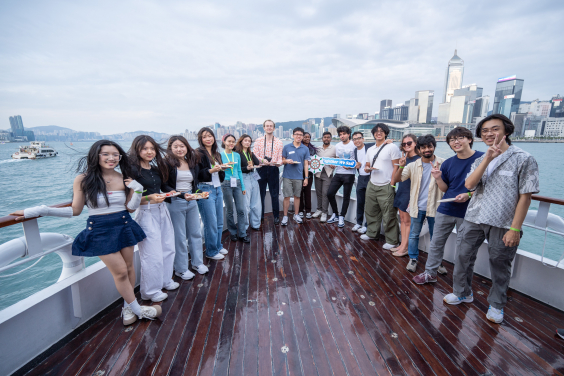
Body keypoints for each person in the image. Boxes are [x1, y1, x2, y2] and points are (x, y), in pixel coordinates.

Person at [10, 140, 161, 326]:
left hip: (124, 224)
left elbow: (130, 208)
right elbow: (75, 210)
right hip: (99, 230)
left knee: (130, 268)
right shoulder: (84, 179)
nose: (111, 158)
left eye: (115, 155)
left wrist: (137, 190)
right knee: (121, 272)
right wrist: (40, 210)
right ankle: (138, 309)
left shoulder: (124, 177)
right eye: (105, 154)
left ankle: (127, 306)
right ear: (96, 156)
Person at [444, 114, 539, 324]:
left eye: (494, 129)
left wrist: (515, 228)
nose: (489, 134)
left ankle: (496, 304)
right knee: (462, 255)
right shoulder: (480, 159)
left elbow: (526, 196)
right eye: (485, 131)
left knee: (499, 263)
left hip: (503, 221)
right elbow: (469, 185)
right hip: (475, 216)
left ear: (506, 131)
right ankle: (462, 292)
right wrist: (488, 157)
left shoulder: (524, 158)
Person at [413, 127, 484, 284]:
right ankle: (430, 273)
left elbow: (488, 187)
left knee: (464, 250)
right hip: (446, 208)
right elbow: (445, 188)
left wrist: (469, 194)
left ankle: (460, 283)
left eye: (460, 138)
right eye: (452, 140)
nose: (456, 142)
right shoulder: (448, 164)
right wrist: (438, 178)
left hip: (469, 211)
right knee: (436, 243)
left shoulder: (483, 159)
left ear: (470, 139)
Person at [128, 135, 179, 302]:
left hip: (161, 209)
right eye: (145, 149)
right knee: (151, 253)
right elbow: (129, 202)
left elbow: (161, 189)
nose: (149, 152)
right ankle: (150, 291)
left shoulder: (155, 169)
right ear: (137, 150)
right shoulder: (132, 172)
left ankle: (165, 280)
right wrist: (149, 198)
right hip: (146, 212)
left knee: (168, 247)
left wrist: (170, 194)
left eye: (152, 148)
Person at [392, 134, 445, 272]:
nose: (427, 149)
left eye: (429, 146)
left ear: (434, 147)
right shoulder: (413, 165)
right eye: (424, 147)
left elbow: (447, 186)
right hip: (417, 206)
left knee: (436, 237)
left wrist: (438, 177)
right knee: (414, 234)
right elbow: (398, 179)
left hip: (435, 207)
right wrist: (401, 167)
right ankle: (413, 258)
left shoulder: (443, 163)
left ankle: (437, 262)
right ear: (419, 149)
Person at [163, 135, 209, 282]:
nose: (179, 149)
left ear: (187, 147)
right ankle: (181, 269)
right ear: (170, 148)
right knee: (180, 237)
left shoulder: (191, 162)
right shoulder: (166, 164)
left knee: (195, 234)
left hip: (192, 202)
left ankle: (197, 263)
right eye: (175, 146)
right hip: (175, 203)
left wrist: (199, 193)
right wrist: (182, 195)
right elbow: (164, 186)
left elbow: (193, 185)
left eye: (182, 146)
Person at [360, 124, 401, 250]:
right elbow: (367, 165)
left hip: (386, 184)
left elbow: (397, 166)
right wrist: (367, 169)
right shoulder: (371, 149)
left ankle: (392, 240)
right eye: (376, 131)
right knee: (371, 211)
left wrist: (392, 183)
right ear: (373, 134)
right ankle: (372, 233)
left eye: (382, 131)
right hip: (372, 183)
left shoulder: (392, 147)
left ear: (386, 133)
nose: (379, 133)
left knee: (389, 214)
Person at [196, 127, 229, 260]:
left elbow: (220, 173)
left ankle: (218, 246)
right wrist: (211, 171)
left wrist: (222, 168)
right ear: (201, 139)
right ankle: (211, 251)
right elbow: (197, 175)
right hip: (205, 189)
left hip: (217, 188)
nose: (208, 139)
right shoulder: (197, 153)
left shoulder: (217, 154)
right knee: (210, 223)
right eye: (205, 136)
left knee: (219, 222)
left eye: (210, 136)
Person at [390, 134, 420, 256]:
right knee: (402, 220)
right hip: (402, 190)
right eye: (404, 144)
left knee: (408, 222)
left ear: (415, 143)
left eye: (409, 143)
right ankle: (401, 245)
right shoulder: (404, 159)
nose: (406, 145)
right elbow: (398, 177)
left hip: (410, 193)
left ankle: (405, 248)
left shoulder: (419, 159)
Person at [253, 120, 283, 225]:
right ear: (264, 128)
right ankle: (260, 215)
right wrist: (262, 160)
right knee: (259, 194)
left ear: (274, 128)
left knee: (274, 194)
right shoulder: (258, 141)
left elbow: (280, 158)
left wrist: (278, 163)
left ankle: (276, 216)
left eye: (271, 126)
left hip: (273, 169)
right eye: (267, 126)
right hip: (260, 169)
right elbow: (255, 155)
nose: (269, 127)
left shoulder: (279, 142)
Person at [326, 125, 356, 228]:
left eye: (344, 134)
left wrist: (351, 166)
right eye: (340, 134)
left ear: (348, 134)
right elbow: (338, 159)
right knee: (330, 193)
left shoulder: (354, 145)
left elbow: (359, 158)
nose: (342, 136)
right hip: (338, 173)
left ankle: (342, 216)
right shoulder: (338, 146)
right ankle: (335, 214)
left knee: (346, 196)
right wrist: (333, 164)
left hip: (349, 174)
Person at [221, 134, 249, 243]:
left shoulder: (236, 155)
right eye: (229, 141)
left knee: (241, 209)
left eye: (233, 141)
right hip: (225, 184)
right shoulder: (220, 155)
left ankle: (242, 233)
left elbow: (239, 171)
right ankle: (233, 232)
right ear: (224, 142)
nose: (231, 143)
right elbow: (216, 169)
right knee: (229, 210)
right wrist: (224, 166)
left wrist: (242, 186)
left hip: (237, 183)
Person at [281, 127, 311, 225]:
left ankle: (296, 214)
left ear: (302, 137)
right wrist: (286, 161)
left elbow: (306, 164)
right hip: (287, 176)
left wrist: (306, 178)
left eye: (301, 135)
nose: (299, 136)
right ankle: (285, 216)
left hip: (299, 176)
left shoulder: (305, 148)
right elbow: (282, 160)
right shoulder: (287, 147)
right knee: (286, 197)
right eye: (297, 134)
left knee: (297, 196)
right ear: (293, 135)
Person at [235, 134, 262, 231]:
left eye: (249, 141)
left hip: (253, 177)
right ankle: (244, 227)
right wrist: (246, 168)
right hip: (244, 177)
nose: (247, 142)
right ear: (241, 141)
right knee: (245, 205)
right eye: (245, 140)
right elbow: (236, 169)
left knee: (256, 203)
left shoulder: (249, 152)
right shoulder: (237, 153)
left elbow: (257, 162)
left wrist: (252, 153)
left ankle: (255, 224)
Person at [352, 131, 374, 234]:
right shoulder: (355, 151)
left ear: (363, 139)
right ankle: (359, 223)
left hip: (371, 177)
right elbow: (354, 163)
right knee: (360, 201)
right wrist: (357, 165)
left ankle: (367, 225)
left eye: (359, 138)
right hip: (361, 177)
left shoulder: (370, 146)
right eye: (355, 139)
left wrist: (387, 141)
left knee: (369, 203)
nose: (357, 140)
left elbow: (381, 144)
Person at [312, 131, 336, 223]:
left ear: (331, 139)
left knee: (325, 193)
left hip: (328, 173)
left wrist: (334, 165)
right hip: (317, 173)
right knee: (318, 192)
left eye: (328, 137)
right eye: (325, 137)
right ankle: (319, 209)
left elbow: (338, 160)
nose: (326, 139)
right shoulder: (317, 148)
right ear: (322, 139)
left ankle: (324, 212)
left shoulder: (334, 148)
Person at [298, 132, 316, 219]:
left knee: (308, 192)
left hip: (309, 173)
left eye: (308, 137)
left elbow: (316, 161)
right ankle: (300, 210)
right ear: (302, 138)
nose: (307, 138)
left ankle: (308, 210)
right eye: (305, 137)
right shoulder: (299, 148)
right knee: (300, 192)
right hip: (299, 173)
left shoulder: (313, 149)